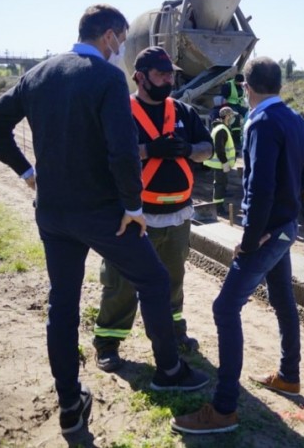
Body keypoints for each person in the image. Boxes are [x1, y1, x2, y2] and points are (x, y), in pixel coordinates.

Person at [0, 5, 209, 436]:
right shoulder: (106, 78)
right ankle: (169, 371)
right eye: (120, 38)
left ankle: (69, 403)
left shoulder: (38, 74)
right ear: (108, 37)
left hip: (53, 213)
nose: (121, 46)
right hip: (105, 214)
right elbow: (122, 151)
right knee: (154, 281)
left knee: (61, 306)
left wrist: (28, 172)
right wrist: (133, 207)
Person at [171, 56, 304, 434]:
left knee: (225, 308)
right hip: (286, 224)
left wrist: (250, 239)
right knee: (283, 299)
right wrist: (293, 197)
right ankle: (289, 376)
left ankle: (224, 409)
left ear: (246, 87)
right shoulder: (293, 118)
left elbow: (259, 189)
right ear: (279, 85)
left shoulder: (259, 122)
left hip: (270, 231)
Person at [92, 46, 214, 372]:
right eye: (160, 74)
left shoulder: (184, 112)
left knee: (173, 279)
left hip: (177, 216)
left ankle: (174, 332)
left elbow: (207, 148)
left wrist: (189, 149)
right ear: (140, 77)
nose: (168, 79)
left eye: (170, 73)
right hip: (133, 217)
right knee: (121, 282)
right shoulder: (121, 111)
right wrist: (148, 150)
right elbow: (107, 155)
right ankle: (107, 342)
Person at [203, 106, 237, 216]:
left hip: (219, 163)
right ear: (227, 116)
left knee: (220, 185)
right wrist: (225, 162)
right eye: (231, 116)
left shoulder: (220, 128)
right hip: (220, 164)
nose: (232, 118)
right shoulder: (222, 129)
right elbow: (219, 148)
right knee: (219, 185)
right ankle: (218, 208)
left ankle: (219, 205)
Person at [220, 74, 247, 152]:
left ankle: (245, 135)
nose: (240, 84)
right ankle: (236, 140)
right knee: (236, 116)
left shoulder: (242, 85)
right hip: (230, 104)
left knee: (248, 113)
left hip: (239, 105)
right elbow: (224, 97)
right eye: (239, 82)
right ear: (236, 81)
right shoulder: (228, 85)